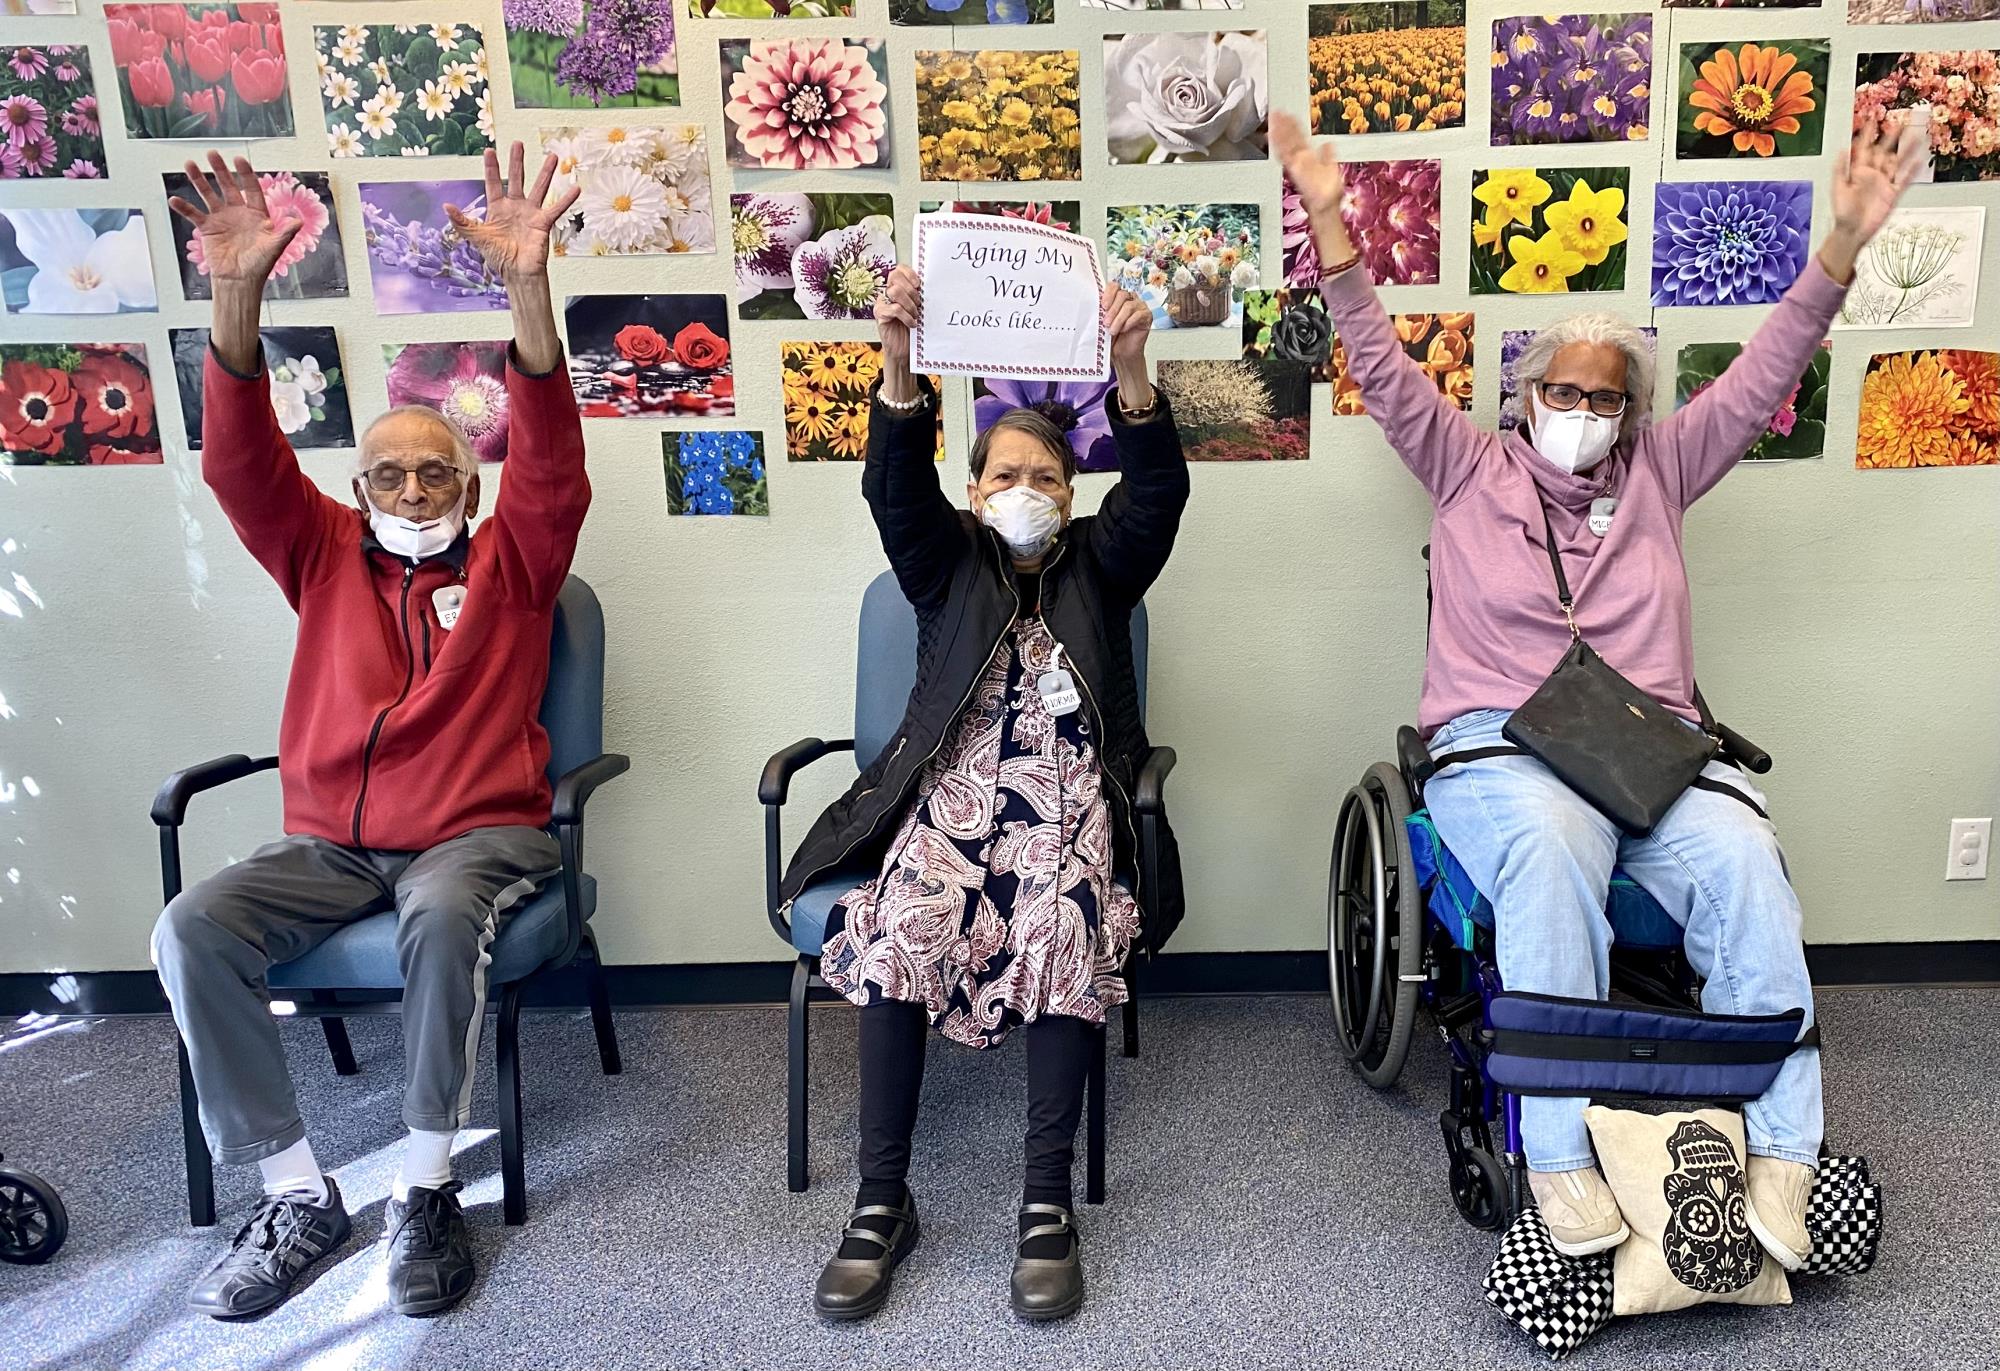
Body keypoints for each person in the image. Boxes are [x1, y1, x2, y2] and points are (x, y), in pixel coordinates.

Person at [1275, 110, 1921, 1265]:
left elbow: (1766, 369)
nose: (1582, 414)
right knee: (1549, 848)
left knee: (1744, 861)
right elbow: (1373, 358)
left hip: (1645, 746)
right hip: (1500, 745)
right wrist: (1329, 221)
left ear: (1631, 408)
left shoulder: (1661, 470)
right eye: (1563, 393)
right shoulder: (1463, 465)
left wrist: (1840, 245)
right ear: (1524, 395)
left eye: (1605, 398)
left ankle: (1784, 1149)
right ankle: (1561, 1154)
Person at [153, 145, 585, 1319]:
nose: (411, 493)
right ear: (358, 493)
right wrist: (234, 295)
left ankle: (425, 1188)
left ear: (469, 489)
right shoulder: (318, 555)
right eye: (387, 477)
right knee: (190, 927)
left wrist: (527, 289)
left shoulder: (516, 567)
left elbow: (552, 464)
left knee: (440, 915)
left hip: (477, 837)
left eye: (434, 475)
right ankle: (296, 1195)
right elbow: (240, 465)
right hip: (332, 848)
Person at [778, 265, 1188, 1322]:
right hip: (948, 801)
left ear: (1070, 495)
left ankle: (1046, 1203)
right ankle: (881, 1202)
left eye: (1046, 476)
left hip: (1068, 808)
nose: (1024, 489)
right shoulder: (945, 565)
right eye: (1004, 473)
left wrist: (1131, 370)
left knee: (1060, 932)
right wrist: (896, 359)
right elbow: (893, 493)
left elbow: (1157, 498)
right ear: (973, 492)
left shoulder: (1101, 567)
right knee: (902, 928)